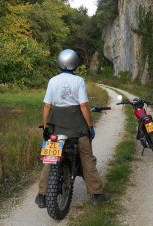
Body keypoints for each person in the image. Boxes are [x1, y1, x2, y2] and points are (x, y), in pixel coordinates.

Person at [35, 49, 110, 208]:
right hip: (76, 127)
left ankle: (41, 195)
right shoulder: (79, 81)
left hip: (56, 127)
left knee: (50, 159)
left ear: (60, 62)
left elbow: (47, 106)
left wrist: (47, 126)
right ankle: (96, 193)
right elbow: (83, 106)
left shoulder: (52, 81)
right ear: (75, 63)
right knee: (87, 157)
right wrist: (90, 126)